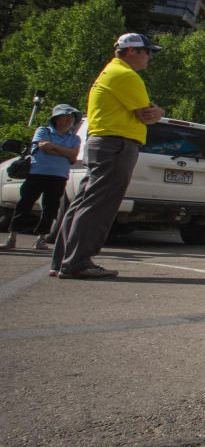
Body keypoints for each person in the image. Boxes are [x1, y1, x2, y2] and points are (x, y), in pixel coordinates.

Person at [50, 34, 165, 279]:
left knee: (84, 201)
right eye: (147, 51)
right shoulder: (125, 75)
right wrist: (160, 111)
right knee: (99, 204)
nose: (150, 57)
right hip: (116, 145)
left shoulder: (111, 72)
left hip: (103, 143)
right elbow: (149, 115)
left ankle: (63, 259)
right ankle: (77, 262)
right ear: (132, 51)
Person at [3, 104, 81, 251]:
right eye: (66, 117)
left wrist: (54, 148)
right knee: (24, 204)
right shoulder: (43, 131)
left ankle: (41, 238)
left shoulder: (75, 138)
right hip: (37, 173)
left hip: (59, 176)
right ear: (56, 118)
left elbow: (73, 156)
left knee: (50, 208)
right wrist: (64, 151)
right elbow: (43, 146)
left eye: (71, 117)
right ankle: (12, 237)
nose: (69, 120)